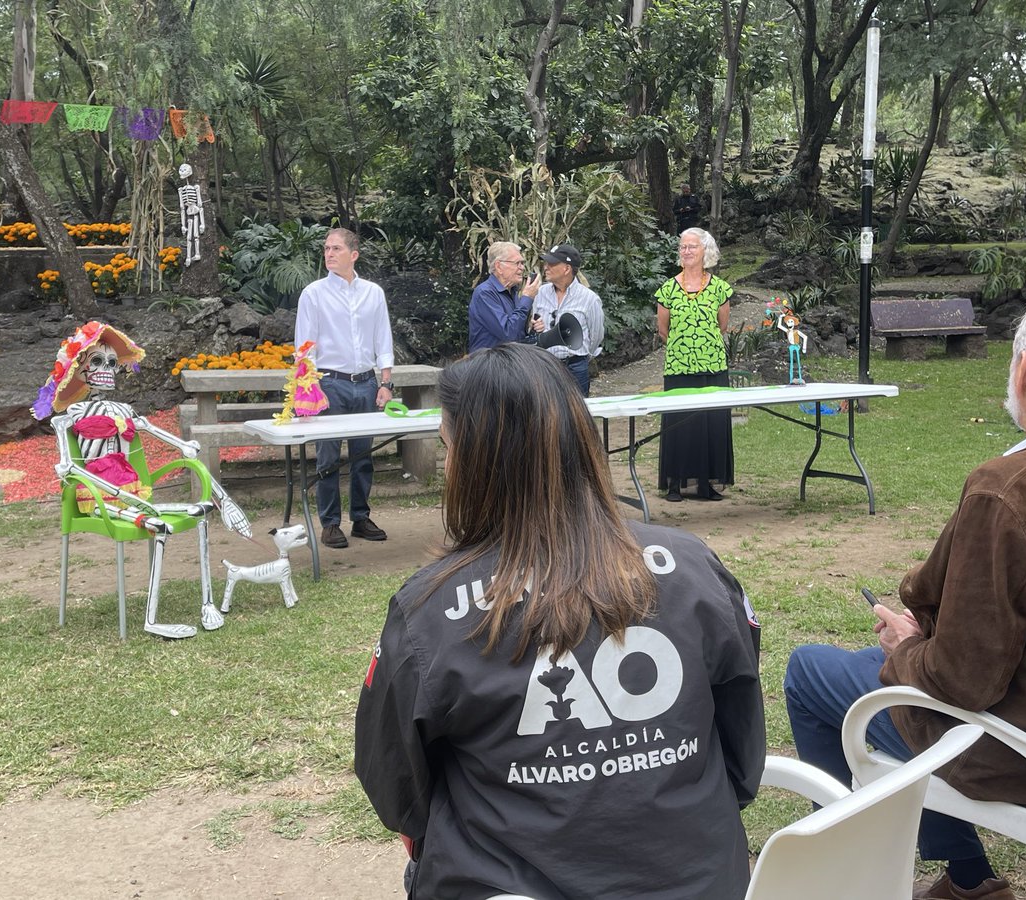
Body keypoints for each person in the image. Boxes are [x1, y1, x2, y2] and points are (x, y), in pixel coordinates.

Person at [355, 343, 765, 900]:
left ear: (478, 462)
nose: (446, 465)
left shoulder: (429, 611)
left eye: (448, 448)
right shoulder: (694, 566)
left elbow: (397, 790)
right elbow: (741, 751)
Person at [783, 286, 1026, 900]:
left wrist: (908, 649)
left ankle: (852, 877)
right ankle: (967, 879)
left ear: (1024, 370)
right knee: (884, 669)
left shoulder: (1009, 490)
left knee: (811, 671)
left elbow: (961, 683)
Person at [294, 227, 394, 549]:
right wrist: (305, 390)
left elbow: (383, 339)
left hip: (366, 383)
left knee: (363, 456)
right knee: (328, 457)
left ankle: (361, 518)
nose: (329, 254)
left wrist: (386, 383)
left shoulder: (373, 293)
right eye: (326, 248)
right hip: (328, 384)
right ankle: (330, 523)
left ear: (354, 254)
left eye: (336, 248)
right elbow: (304, 347)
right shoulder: (313, 294)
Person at [655, 227, 734, 502]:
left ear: (705, 252)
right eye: (683, 247)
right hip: (679, 367)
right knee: (678, 423)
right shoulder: (667, 289)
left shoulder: (720, 288)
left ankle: (705, 483)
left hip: (712, 366)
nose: (686, 251)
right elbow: (663, 331)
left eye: (692, 247)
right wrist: (685, 349)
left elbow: (722, 326)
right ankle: (675, 483)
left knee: (710, 423)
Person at [529, 243, 605, 395]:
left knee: (577, 415)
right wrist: (535, 326)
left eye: (552, 264)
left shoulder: (589, 299)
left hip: (575, 367)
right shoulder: (539, 293)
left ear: (567, 269)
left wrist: (581, 358)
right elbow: (532, 323)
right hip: (545, 366)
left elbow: (596, 335)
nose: (546, 267)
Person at [467, 241, 541, 352]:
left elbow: (517, 333)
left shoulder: (512, 292)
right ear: (499, 266)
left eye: (522, 263)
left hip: (509, 363)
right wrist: (527, 298)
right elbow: (508, 333)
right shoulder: (485, 293)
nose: (522, 268)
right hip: (488, 365)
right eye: (517, 263)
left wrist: (531, 327)